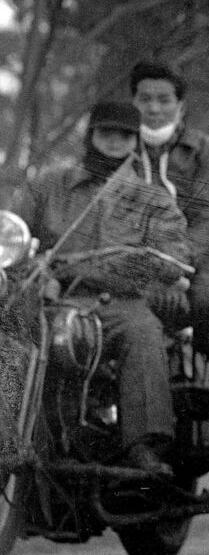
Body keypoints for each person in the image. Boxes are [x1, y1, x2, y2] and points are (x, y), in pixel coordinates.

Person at [11, 102, 193, 478]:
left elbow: (175, 256)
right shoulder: (48, 184)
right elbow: (13, 236)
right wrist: (37, 271)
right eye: (106, 132)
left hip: (117, 304)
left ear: (135, 141)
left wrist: (140, 265)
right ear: (90, 135)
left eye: (124, 135)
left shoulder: (152, 199)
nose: (114, 141)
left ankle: (142, 445)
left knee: (141, 330)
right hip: (49, 296)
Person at [129, 60, 209, 345]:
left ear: (180, 106)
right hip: (130, 256)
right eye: (144, 99)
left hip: (194, 260)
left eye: (164, 100)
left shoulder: (205, 150)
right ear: (133, 102)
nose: (154, 109)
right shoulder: (119, 143)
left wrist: (173, 267)